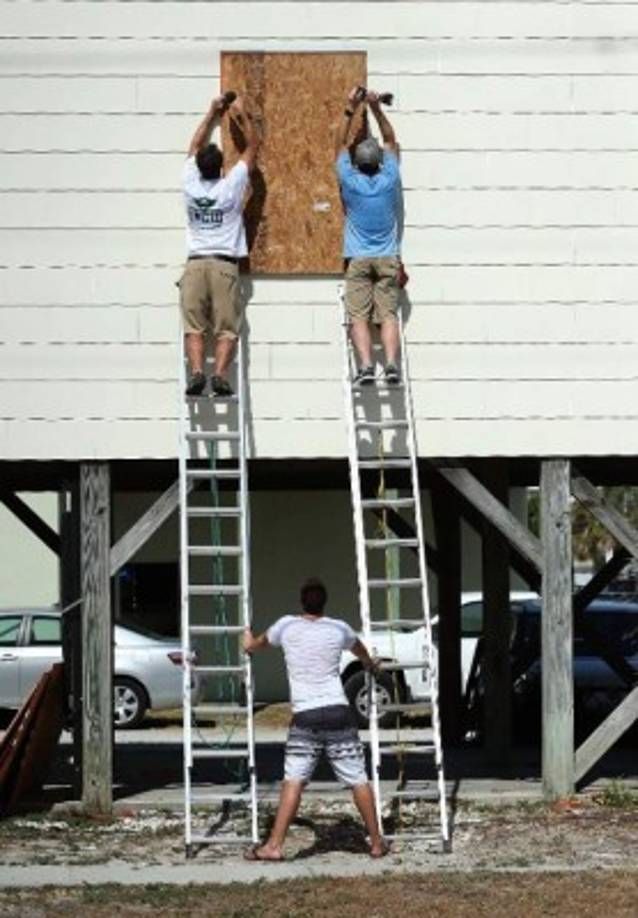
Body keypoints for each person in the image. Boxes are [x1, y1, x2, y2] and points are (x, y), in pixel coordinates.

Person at [242, 577, 388, 861]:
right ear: (325, 603)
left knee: (293, 780)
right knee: (358, 778)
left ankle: (273, 846)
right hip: (338, 710)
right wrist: (370, 664)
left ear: (301, 601)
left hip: (306, 715)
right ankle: (376, 843)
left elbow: (257, 644)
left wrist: (247, 641)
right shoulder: (338, 628)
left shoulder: (285, 625)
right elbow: (358, 648)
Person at [180, 92, 260, 397]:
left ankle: (198, 373)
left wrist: (211, 112)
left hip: (195, 264)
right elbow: (253, 148)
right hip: (224, 266)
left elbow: (193, 146)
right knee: (227, 328)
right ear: (220, 168)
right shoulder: (230, 187)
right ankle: (221, 376)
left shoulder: (189, 183)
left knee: (194, 326)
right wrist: (241, 115)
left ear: (200, 168)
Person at [335, 87, 403, 386]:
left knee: (359, 316)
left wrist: (351, 108)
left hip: (359, 259)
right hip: (388, 258)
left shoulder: (350, 182)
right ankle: (390, 365)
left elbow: (337, 144)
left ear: (357, 164)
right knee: (387, 314)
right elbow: (390, 140)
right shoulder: (390, 178)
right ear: (379, 162)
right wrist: (375, 108)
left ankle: (365, 367)